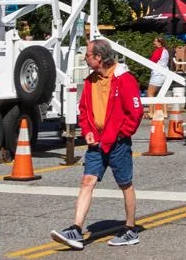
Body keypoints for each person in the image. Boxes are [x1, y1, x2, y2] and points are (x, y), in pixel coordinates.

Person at [51, 39, 144, 250]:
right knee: (87, 181)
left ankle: (130, 229)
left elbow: (136, 111)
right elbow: (84, 110)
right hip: (96, 143)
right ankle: (76, 228)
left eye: (88, 54)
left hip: (118, 143)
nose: (85, 57)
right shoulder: (91, 81)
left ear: (98, 58)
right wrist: (88, 132)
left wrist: (122, 133)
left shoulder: (124, 79)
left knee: (125, 184)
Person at [145, 36, 170, 119]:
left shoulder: (158, 51)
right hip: (165, 74)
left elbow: (152, 61)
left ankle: (151, 112)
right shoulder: (166, 51)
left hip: (157, 74)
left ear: (160, 43)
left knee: (150, 93)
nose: (154, 42)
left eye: (155, 41)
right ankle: (165, 112)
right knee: (162, 94)